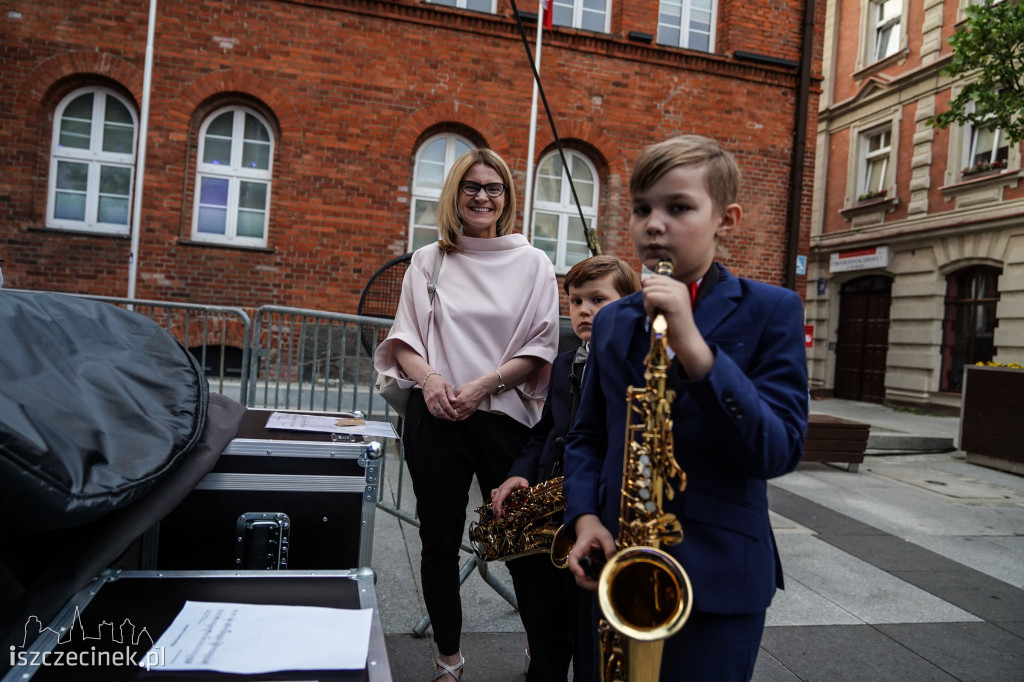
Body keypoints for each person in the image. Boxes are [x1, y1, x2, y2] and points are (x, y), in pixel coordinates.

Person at [563, 134, 809, 681]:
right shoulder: (610, 321)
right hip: (616, 563)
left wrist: (696, 350)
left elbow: (779, 449)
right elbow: (588, 435)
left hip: (720, 577)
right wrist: (583, 519)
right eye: (642, 208)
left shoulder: (772, 311)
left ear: (727, 218)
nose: (654, 224)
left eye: (678, 208)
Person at [374, 148, 560, 681]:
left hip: (503, 419)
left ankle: (538, 650)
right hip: (437, 418)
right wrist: (431, 380)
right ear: (455, 194)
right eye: (471, 187)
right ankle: (448, 659)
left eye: (494, 187)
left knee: (525, 542)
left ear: (507, 197)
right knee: (436, 542)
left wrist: (483, 385)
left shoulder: (533, 263)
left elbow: (541, 346)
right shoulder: (429, 260)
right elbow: (404, 339)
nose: (482, 196)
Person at [490, 255, 641, 682]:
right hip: (550, 515)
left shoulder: (635, 365)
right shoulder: (564, 363)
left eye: (598, 298)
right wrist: (519, 472)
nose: (584, 310)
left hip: (595, 513)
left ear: (629, 304)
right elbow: (546, 430)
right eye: (575, 301)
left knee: (591, 637)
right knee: (545, 630)